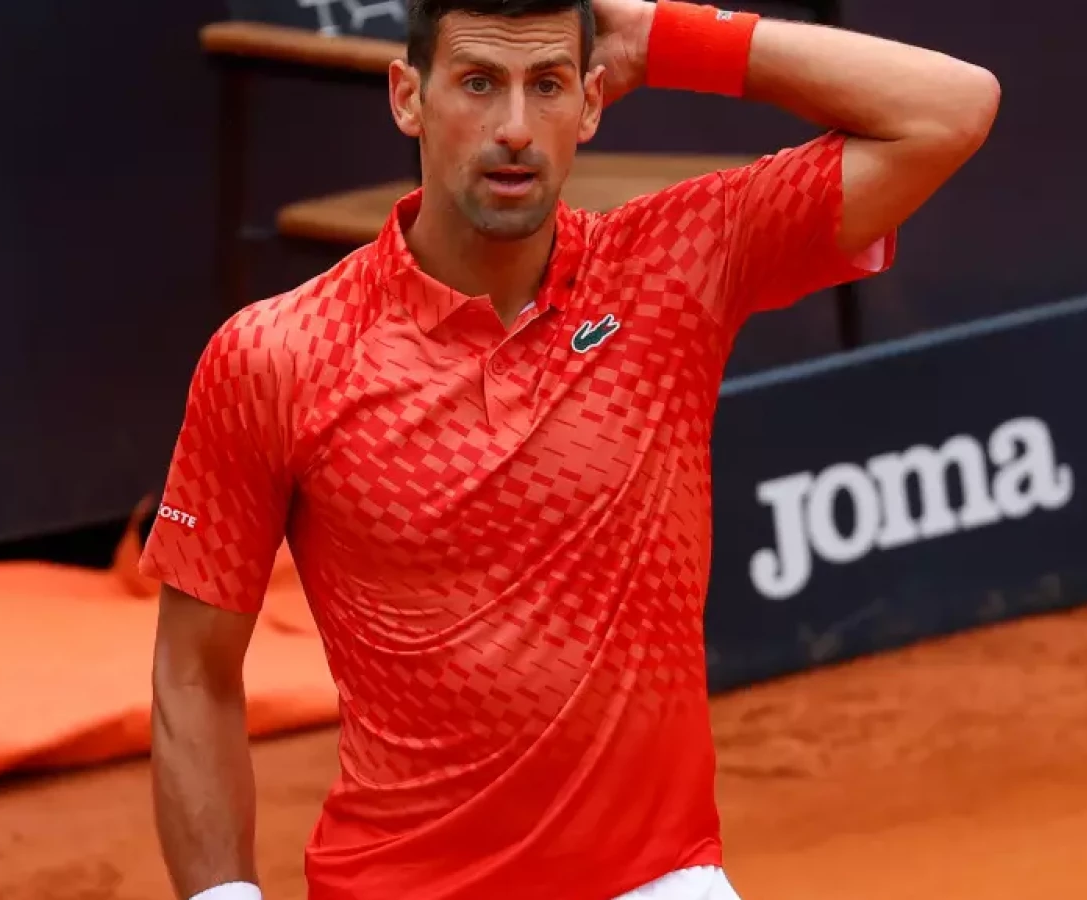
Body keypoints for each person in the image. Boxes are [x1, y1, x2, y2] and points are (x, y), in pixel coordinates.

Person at [141, 0, 999, 896]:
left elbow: (951, 109)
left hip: (657, 879)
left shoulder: (676, 267)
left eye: (546, 85)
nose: (515, 128)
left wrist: (661, 37)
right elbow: (193, 670)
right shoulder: (277, 354)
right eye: (478, 83)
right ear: (407, 97)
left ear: (591, 105)